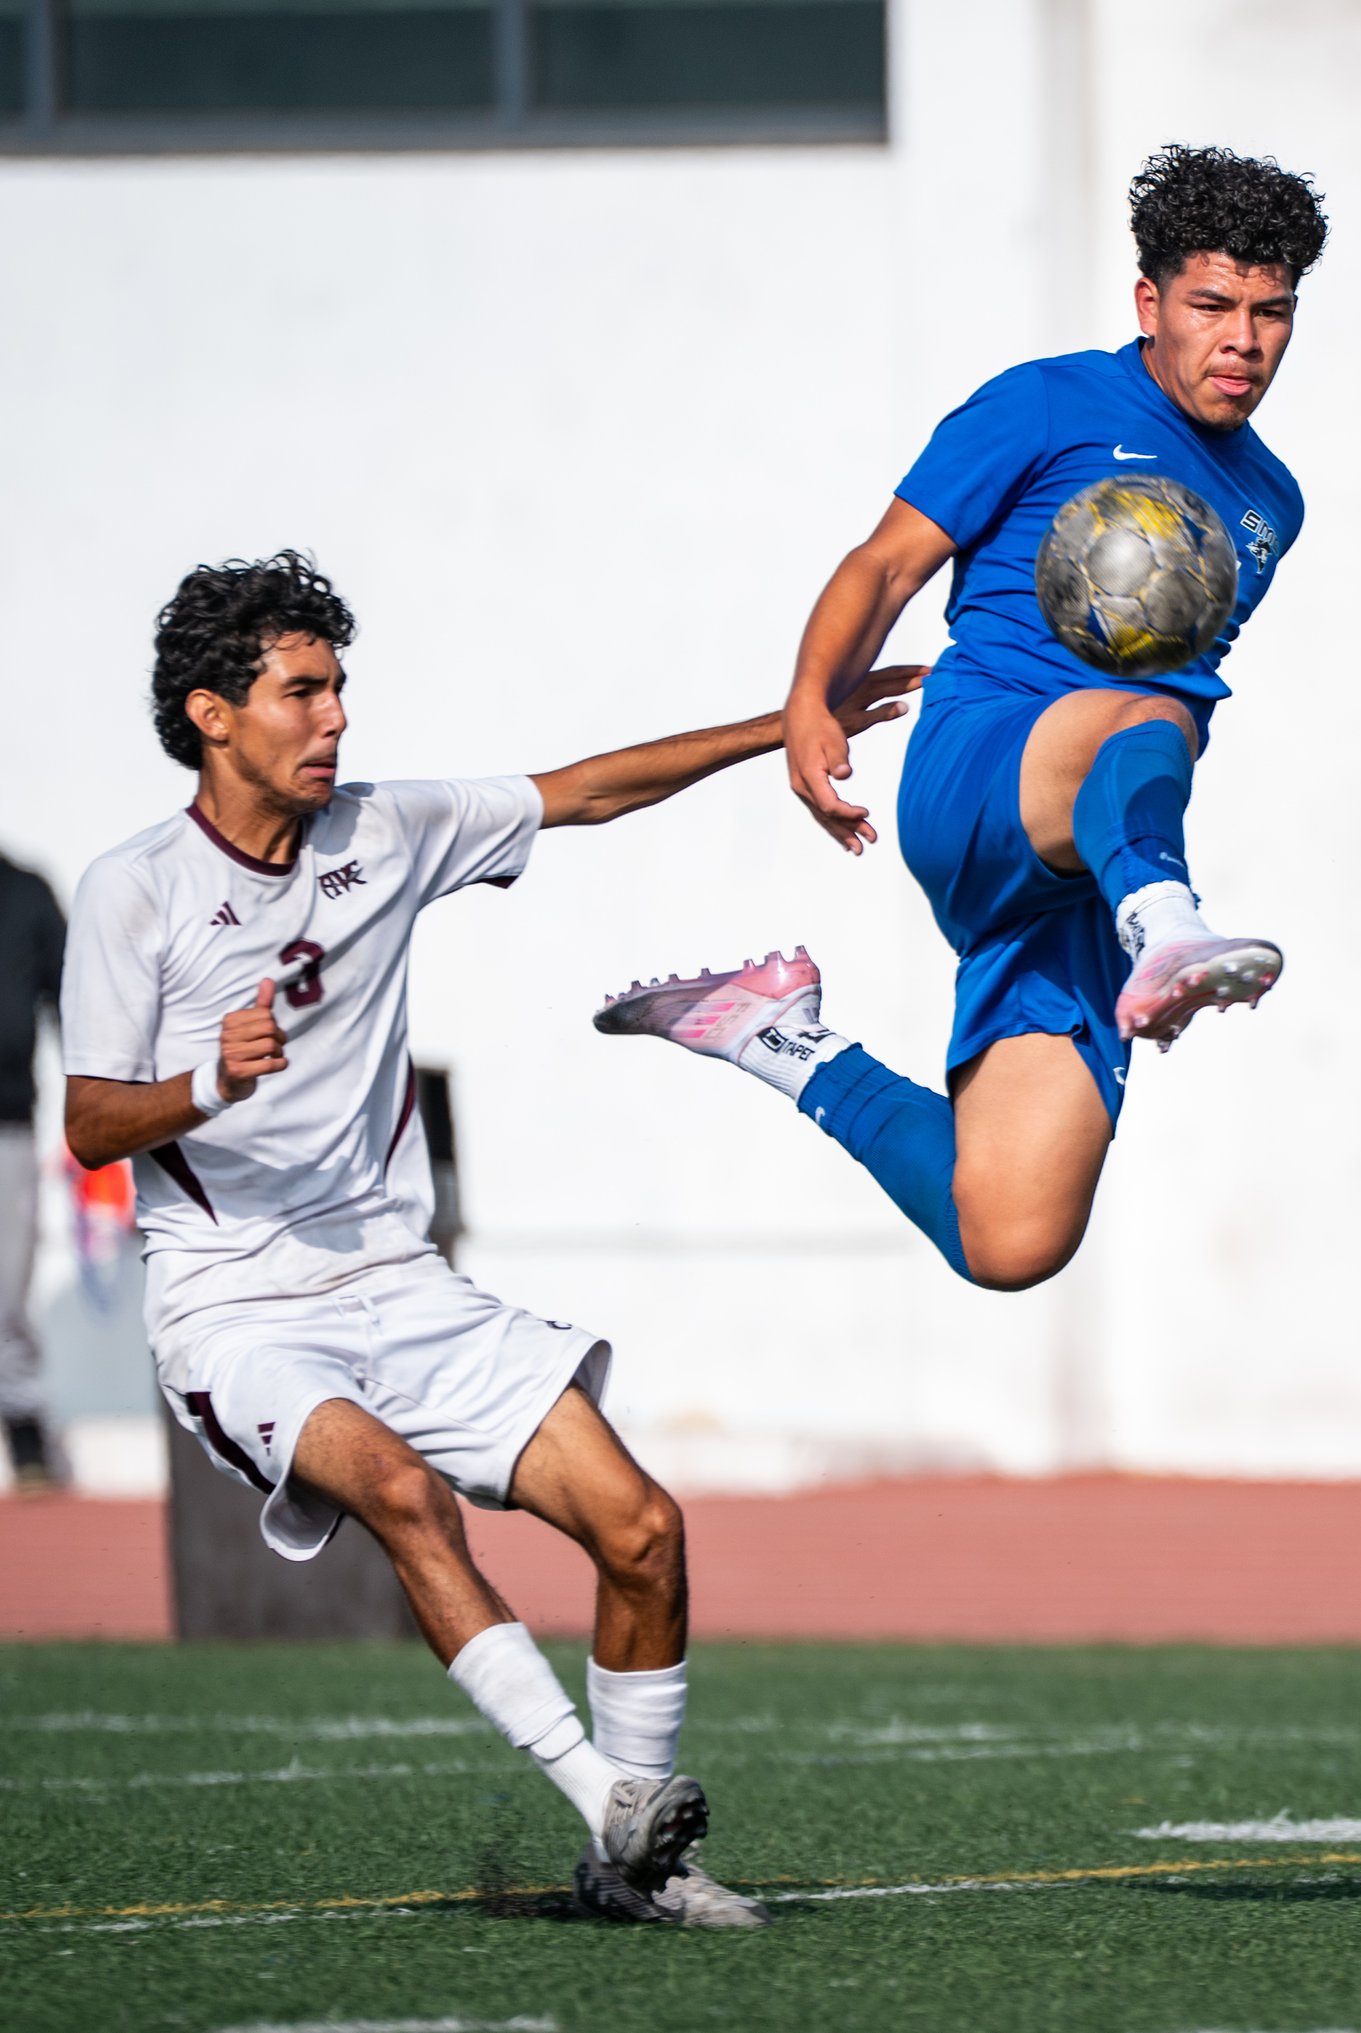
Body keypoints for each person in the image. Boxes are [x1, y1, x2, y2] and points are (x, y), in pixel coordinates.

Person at [59, 551, 915, 1927]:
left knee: (642, 1528)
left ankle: (628, 1870)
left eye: (339, 688)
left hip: (402, 1282)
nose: (335, 718)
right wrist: (209, 1083)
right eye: (302, 692)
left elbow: (586, 790)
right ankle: (608, 1807)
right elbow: (93, 1122)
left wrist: (792, 720)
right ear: (213, 715)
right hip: (235, 1308)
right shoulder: (132, 891)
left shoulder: (386, 830)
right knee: (401, 1491)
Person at [593, 144, 1325, 1291]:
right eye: (1212, 304)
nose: (1243, 338)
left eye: (1271, 312)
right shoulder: (1044, 402)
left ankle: (780, 1037)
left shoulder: (1272, 500)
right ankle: (1166, 923)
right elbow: (886, 563)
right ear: (1151, 302)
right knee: (1134, 711)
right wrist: (807, 696)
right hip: (983, 773)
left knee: (1011, 1236)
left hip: (1089, 859)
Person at [0, 850, 67, 1490]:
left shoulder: (24, 892)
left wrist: (100, 1101)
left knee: (3, 1291)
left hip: (7, 1121)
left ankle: (25, 1434)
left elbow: (74, 1002)